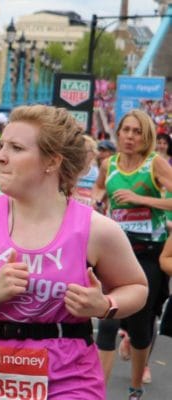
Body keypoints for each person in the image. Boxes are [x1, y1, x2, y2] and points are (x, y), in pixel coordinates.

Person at [0, 105, 149, 399]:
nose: (1, 156)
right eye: (2, 145)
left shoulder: (96, 229)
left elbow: (136, 287)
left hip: (70, 380)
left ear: (52, 161)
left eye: (15, 148)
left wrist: (104, 305)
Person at [92, 109, 172, 399]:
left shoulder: (155, 164)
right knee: (107, 318)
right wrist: (96, 201)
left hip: (147, 253)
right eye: (126, 130)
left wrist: (140, 199)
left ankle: (136, 386)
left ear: (146, 136)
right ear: (119, 132)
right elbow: (99, 188)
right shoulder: (108, 164)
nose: (129, 136)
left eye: (137, 131)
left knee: (140, 324)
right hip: (114, 251)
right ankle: (97, 391)